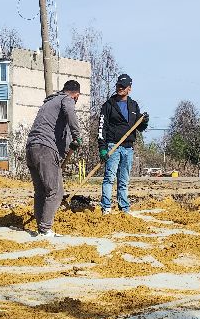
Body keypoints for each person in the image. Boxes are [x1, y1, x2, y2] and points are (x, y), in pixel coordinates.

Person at [26, 78, 83, 237]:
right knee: (55, 191)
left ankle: (41, 228)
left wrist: (69, 144)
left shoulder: (49, 102)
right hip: (45, 149)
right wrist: (77, 136)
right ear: (76, 95)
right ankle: (45, 229)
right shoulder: (67, 99)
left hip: (31, 148)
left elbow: (56, 128)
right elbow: (70, 113)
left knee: (41, 191)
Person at [97, 73, 148, 214]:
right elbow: (101, 128)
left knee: (124, 180)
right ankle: (106, 207)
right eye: (118, 85)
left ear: (129, 88)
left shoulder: (133, 105)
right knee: (109, 178)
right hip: (113, 146)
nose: (120, 88)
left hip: (128, 148)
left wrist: (144, 122)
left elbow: (139, 127)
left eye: (123, 86)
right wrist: (102, 148)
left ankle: (124, 208)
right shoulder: (108, 105)